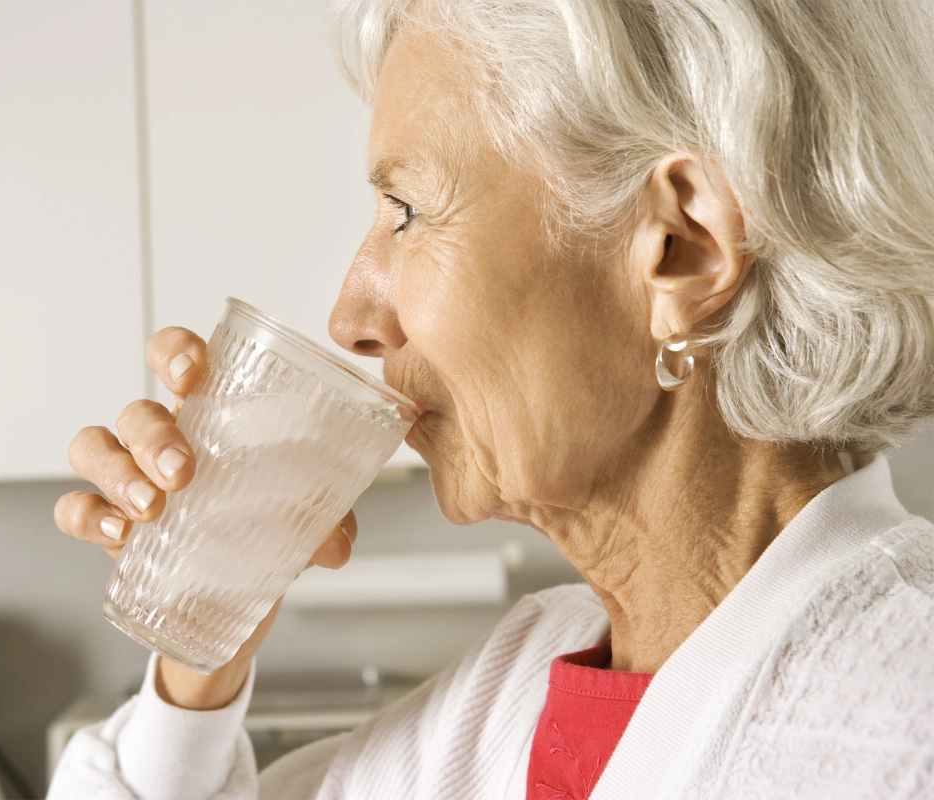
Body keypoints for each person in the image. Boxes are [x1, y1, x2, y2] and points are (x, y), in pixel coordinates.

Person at [47, 0, 934, 797]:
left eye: (406, 210)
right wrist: (202, 640)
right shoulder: (515, 685)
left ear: (681, 247)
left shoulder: (900, 715)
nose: (352, 317)